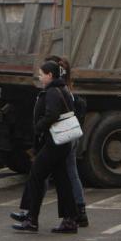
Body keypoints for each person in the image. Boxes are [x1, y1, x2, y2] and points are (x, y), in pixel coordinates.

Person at [10, 60, 79, 234]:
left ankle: (31, 219)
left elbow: (52, 114)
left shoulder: (52, 92)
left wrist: (38, 127)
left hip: (54, 142)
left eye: (41, 75)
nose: (40, 78)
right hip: (62, 142)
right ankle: (70, 220)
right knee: (62, 180)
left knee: (36, 175)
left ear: (50, 75)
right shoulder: (63, 89)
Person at [46, 56, 89, 228]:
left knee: (44, 174)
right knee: (71, 172)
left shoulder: (57, 91)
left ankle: (31, 212)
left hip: (61, 137)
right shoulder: (67, 89)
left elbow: (52, 115)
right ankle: (80, 210)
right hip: (70, 136)